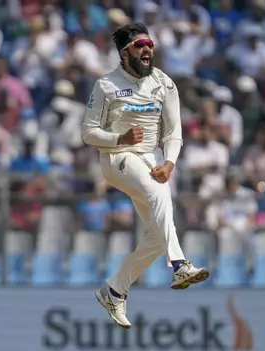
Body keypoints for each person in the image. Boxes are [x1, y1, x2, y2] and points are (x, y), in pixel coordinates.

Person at [82, 22, 209, 329]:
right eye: (140, 45)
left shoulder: (165, 83)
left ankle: (114, 290)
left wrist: (170, 163)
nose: (147, 49)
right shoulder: (106, 85)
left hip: (153, 161)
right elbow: (88, 133)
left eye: (150, 44)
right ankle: (179, 264)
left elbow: (174, 132)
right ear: (125, 52)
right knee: (158, 193)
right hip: (118, 158)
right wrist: (119, 139)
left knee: (156, 237)